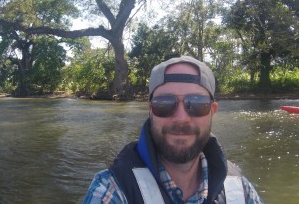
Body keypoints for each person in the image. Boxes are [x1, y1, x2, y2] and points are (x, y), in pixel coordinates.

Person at [83, 56, 263, 204]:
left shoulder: (240, 191)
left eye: (197, 104)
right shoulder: (112, 190)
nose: (181, 118)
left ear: (212, 111)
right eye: (164, 104)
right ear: (151, 110)